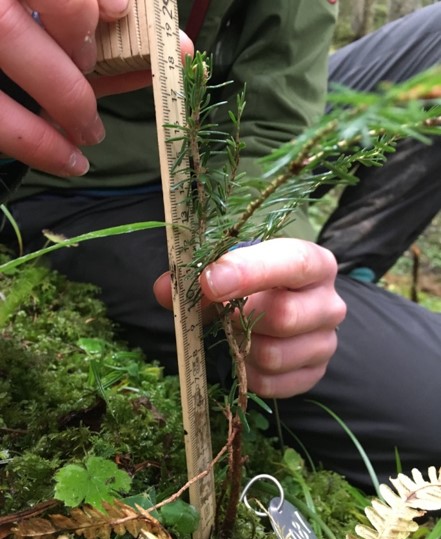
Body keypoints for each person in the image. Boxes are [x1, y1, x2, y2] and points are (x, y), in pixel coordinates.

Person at [0, 0, 439, 492]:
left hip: (227, 145)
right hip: (76, 184)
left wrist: (259, 253)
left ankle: (336, 286)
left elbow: (273, 120)